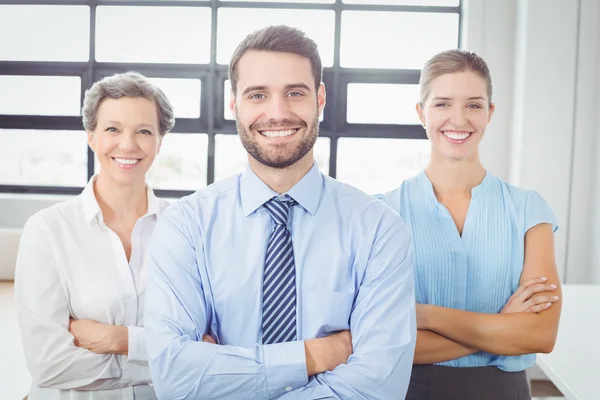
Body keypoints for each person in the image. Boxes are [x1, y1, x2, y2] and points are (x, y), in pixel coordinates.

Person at [144, 25, 416, 399]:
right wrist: (315, 355)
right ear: (233, 102)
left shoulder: (378, 229)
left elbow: (377, 387)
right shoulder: (185, 227)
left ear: (320, 98)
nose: (278, 113)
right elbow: (175, 379)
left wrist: (223, 371)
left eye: (294, 93)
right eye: (258, 94)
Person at [375, 49, 562, 400]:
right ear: (421, 113)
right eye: (442, 104)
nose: (458, 119)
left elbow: (540, 335)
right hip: (408, 391)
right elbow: (379, 345)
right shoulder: (382, 213)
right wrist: (502, 330)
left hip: (503, 392)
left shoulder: (528, 210)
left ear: (490, 113)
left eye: (474, 105)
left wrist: (424, 315)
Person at [14, 71, 174, 399]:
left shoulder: (187, 228)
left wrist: (117, 340)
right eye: (112, 129)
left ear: (160, 140)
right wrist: (165, 358)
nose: (127, 144)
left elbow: (211, 344)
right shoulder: (48, 231)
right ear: (91, 136)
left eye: (144, 131)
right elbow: (49, 365)